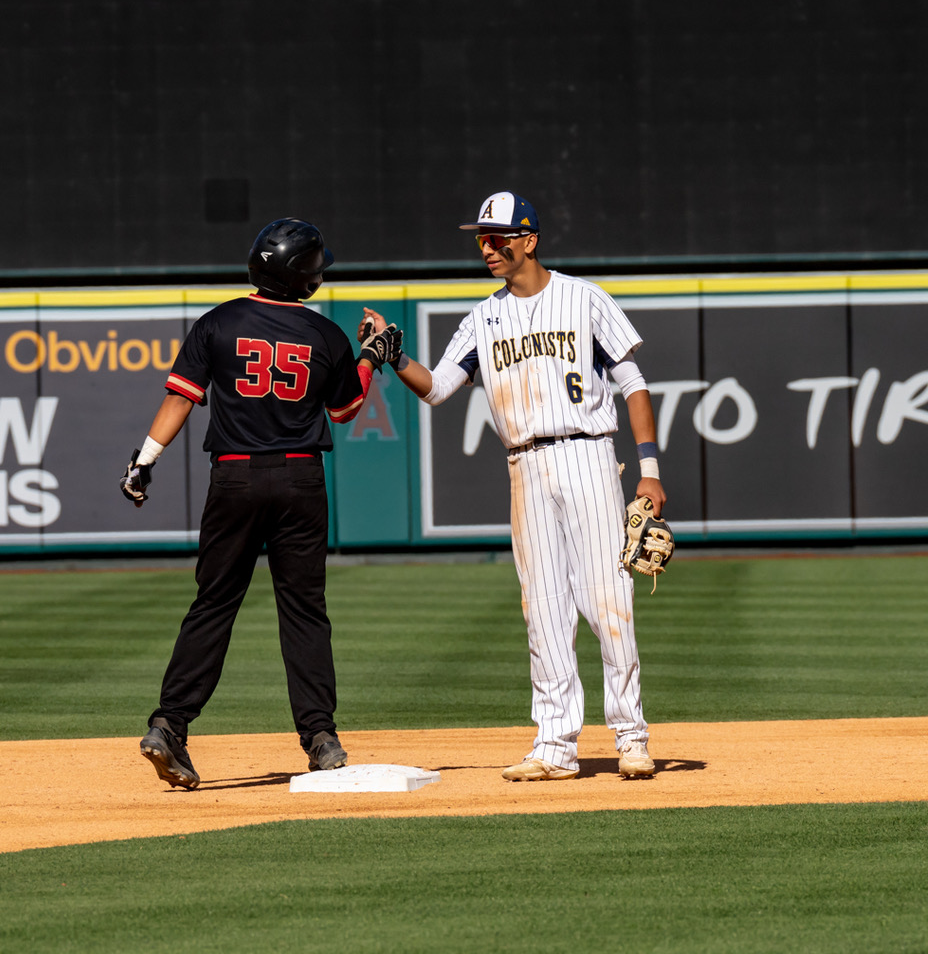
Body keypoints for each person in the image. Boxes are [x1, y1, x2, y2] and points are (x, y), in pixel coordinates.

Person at [362, 192, 666, 781]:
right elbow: (439, 387)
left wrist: (649, 469)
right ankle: (555, 745)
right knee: (543, 608)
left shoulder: (584, 298)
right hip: (524, 466)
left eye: (497, 236)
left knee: (608, 601)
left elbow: (633, 383)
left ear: (529, 239)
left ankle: (631, 736)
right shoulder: (483, 317)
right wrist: (396, 357)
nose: (487, 247)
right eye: (480, 238)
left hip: (587, 455)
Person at [120, 217, 400, 789]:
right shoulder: (324, 336)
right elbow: (345, 411)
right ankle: (321, 736)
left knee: (214, 604)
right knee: (303, 610)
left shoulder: (218, 322)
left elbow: (181, 398)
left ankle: (169, 723)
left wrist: (145, 459)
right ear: (307, 276)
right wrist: (369, 354)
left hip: (235, 480)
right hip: (299, 480)